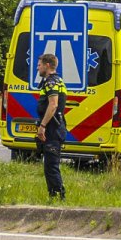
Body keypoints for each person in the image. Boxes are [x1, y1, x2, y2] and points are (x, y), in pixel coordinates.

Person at [35, 53, 67, 200]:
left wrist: (42, 126)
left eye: (39, 64)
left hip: (53, 128)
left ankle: (59, 195)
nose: (38, 67)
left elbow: (53, 105)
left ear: (47, 65)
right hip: (55, 126)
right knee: (49, 164)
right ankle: (53, 195)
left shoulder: (51, 83)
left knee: (51, 165)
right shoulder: (57, 80)